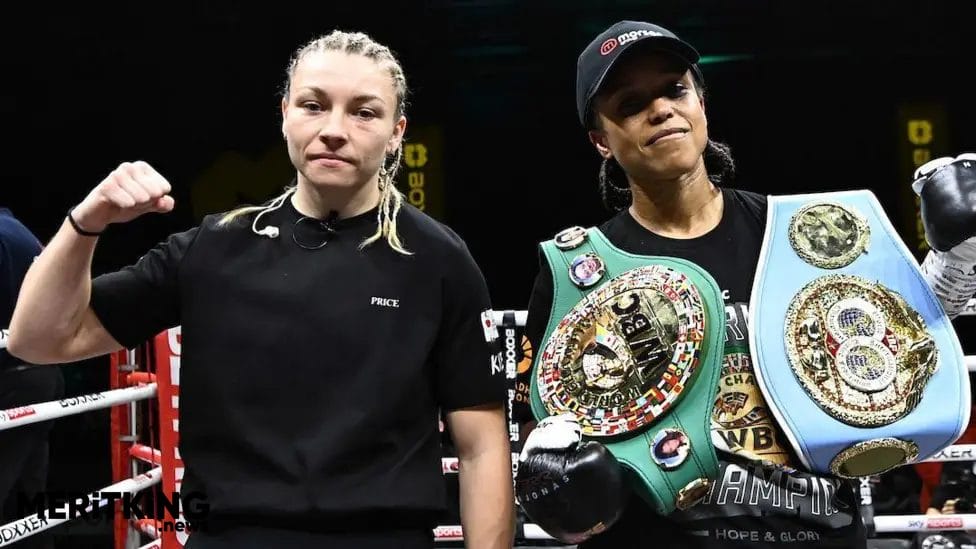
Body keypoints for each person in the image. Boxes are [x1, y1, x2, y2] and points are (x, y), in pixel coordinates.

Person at [8, 30, 514, 549]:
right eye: (314, 105)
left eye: (364, 112)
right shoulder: (213, 247)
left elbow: (480, 446)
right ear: (285, 113)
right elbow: (39, 339)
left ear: (395, 132)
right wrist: (85, 223)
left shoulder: (438, 260)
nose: (334, 130)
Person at [512, 19, 976, 549]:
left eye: (674, 89)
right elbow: (545, 455)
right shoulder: (577, 275)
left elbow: (906, 341)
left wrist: (957, 258)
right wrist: (570, 487)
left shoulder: (803, 234)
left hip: (818, 532)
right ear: (601, 141)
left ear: (701, 103)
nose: (660, 109)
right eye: (630, 104)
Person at [0, 208, 64, 549]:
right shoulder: (18, 229)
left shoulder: (3, 237)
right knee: (25, 502)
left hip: (14, 380)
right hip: (38, 376)